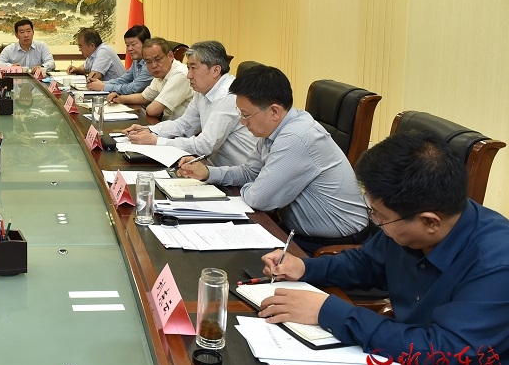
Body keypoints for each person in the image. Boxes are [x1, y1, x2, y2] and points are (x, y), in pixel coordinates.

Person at [259, 131, 509, 365]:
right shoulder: (407, 225)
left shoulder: (496, 264)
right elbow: (367, 263)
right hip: (401, 362)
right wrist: (306, 268)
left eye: (381, 217)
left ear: (430, 222)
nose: (376, 222)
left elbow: (444, 354)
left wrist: (330, 312)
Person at [177, 64, 369, 252]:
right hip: (295, 232)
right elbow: (249, 172)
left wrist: (255, 186)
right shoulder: (276, 129)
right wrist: (208, 173)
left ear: (274, 111)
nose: (243, 122)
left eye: (246, 115)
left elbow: (259, 199)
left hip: (331, 245)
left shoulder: (296, 137)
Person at [122, 40, 255, 167]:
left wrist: (156, 141)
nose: (188, 75)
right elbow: (185, 125)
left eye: (193, 68)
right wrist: (149, 130)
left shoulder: (227, 95)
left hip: (236, 175)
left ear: (215, 70)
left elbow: (205, 145)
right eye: (188, 68)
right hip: (213, 166)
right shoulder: (203, 89)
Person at [107, 38, 193, 119]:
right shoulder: (161, 73)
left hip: (181, 128)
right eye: (148, 62)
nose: (154, 65)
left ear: (170, 56)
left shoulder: (180, 74)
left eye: (158, 59)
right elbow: (144, 97)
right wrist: (120, 98)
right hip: (168, 125)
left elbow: (152, 111)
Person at [87, 25, 153, 95]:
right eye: (127, 45)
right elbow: (124, 80)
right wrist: (100, 83)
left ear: (146, 44)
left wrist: (104, 86)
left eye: (133, 44)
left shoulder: (150, 63)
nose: (129, 49)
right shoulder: (136, 60)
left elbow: (134, 88)